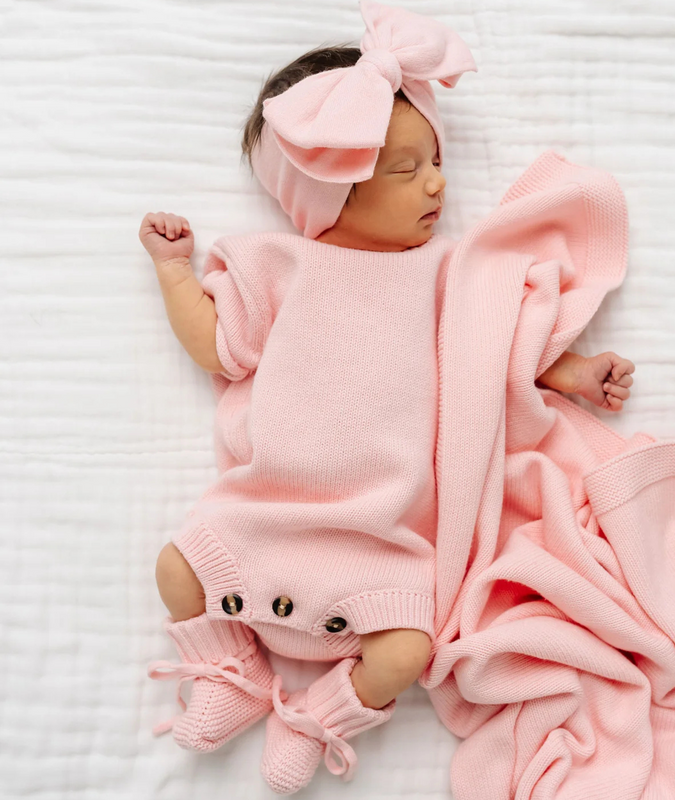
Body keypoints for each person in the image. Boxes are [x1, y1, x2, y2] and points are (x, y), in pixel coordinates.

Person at [138, 1, 635, 794]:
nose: (436, 182)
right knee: (176, 567)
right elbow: (217, 344)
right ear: (321, 193)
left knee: (408, 651)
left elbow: (494, 347)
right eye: (405, 170)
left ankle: (319, 715)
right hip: (266, 505)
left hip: (382, 532)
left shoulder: (446, 272)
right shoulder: (278, 266)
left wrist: (571, 372)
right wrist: (175, 272)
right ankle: (228, 672)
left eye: (436, 160)